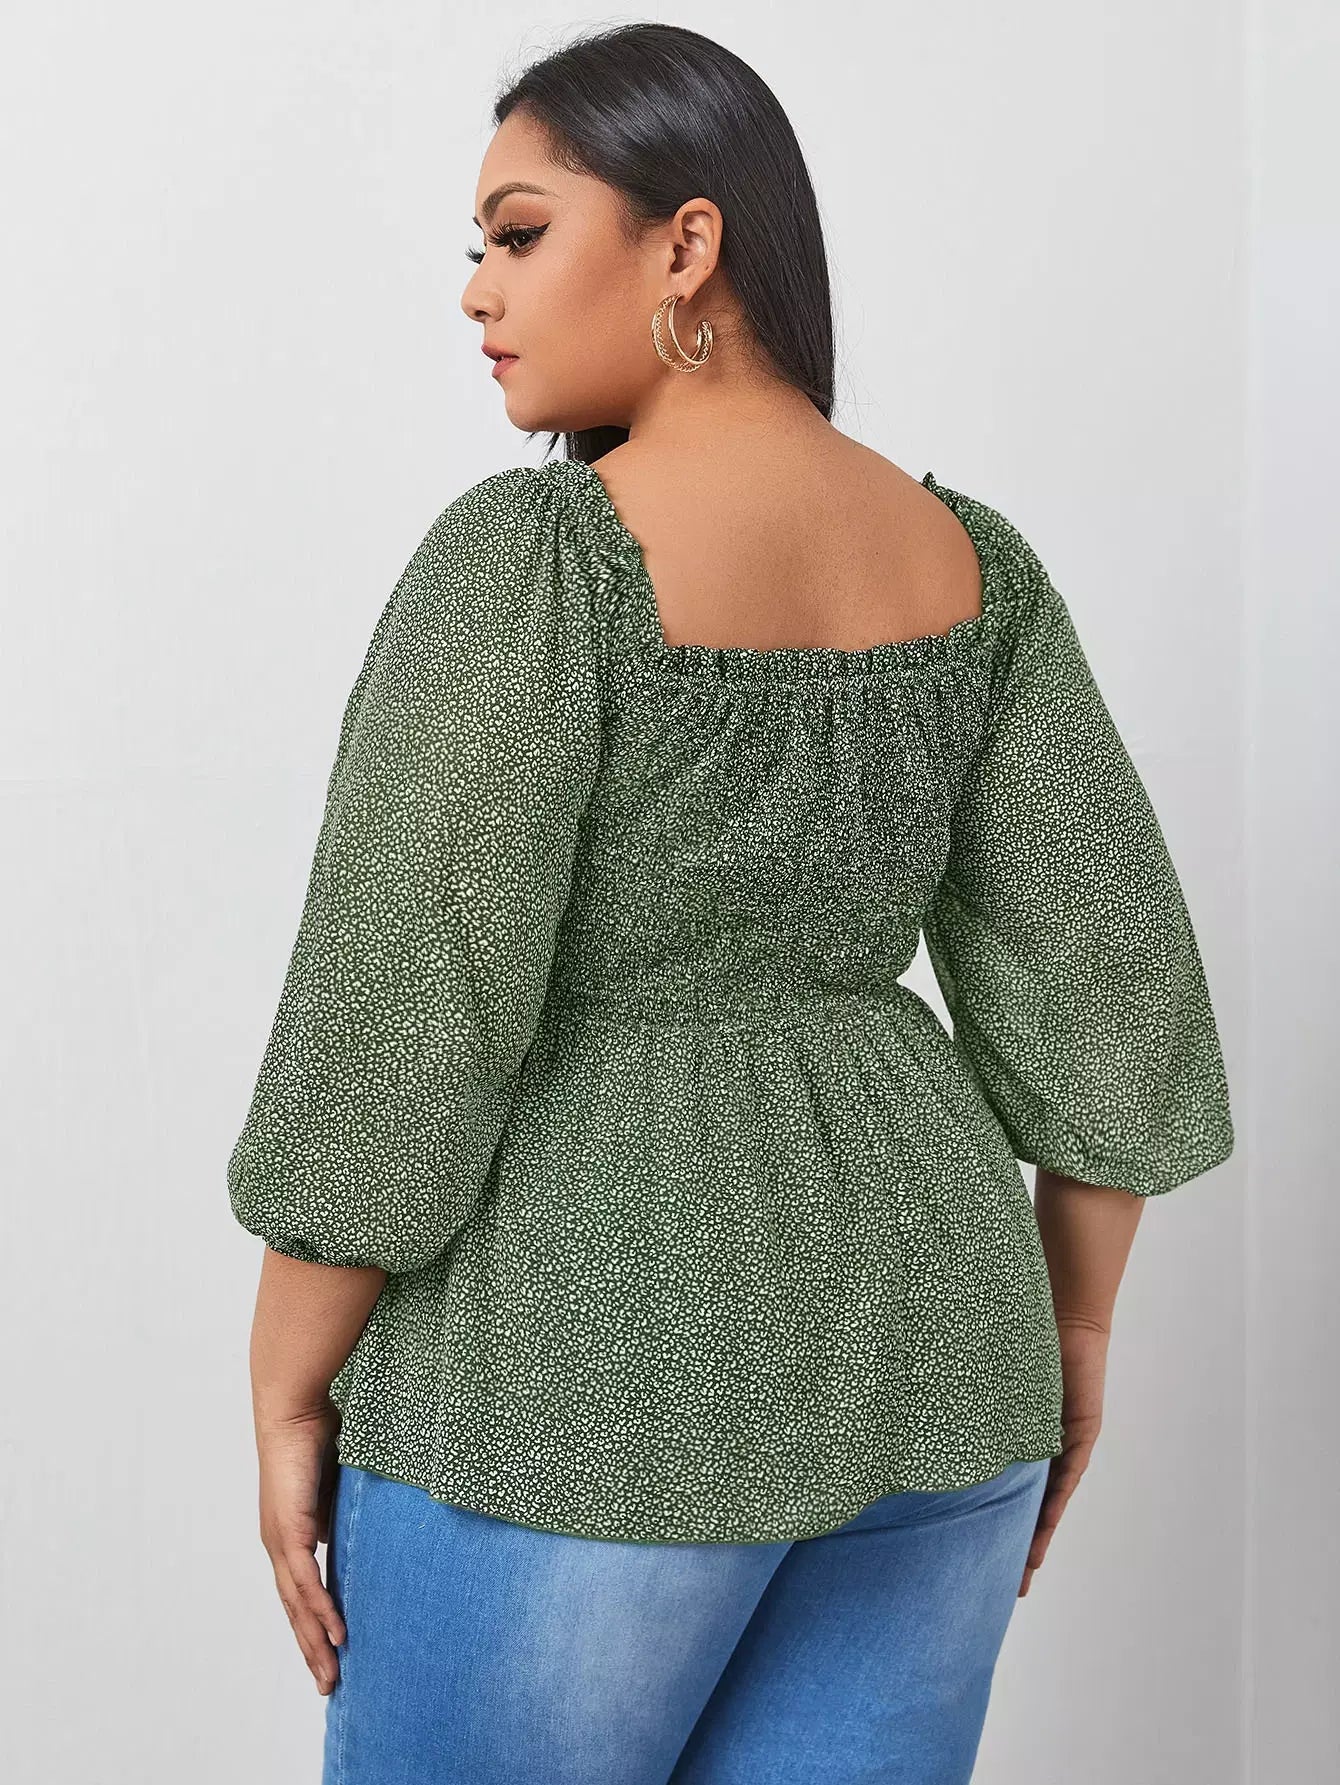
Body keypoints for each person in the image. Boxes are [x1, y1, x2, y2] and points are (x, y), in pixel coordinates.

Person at [226, 22, 1234, 1785]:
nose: (477, 290)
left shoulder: (537, 563)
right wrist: (1075, 1330)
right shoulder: (973, 566)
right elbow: (1110, 982)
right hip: (945, 1353)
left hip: (583, 1382)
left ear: (687, 243)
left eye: (520, 233)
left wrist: (283, 1381)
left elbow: (404, 1016)